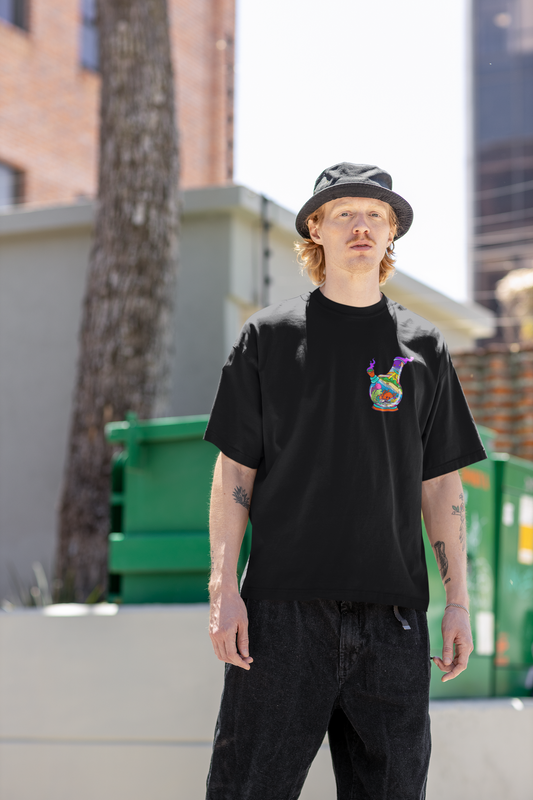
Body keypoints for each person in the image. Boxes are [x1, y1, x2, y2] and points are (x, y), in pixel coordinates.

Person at [203, 163, 486, 800]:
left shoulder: (425, 348)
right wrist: (224, 588)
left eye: (376, 215)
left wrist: (458, 603)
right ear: (316, 229)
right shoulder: (268, 337)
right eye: (345, 213)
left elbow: (443, 488)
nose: (362, 226)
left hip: (395, 621)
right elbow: (234, 471)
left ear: (391, 234)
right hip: (281, 616)